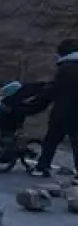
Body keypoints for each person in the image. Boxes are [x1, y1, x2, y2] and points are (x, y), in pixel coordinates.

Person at [31, 38, 78, 177]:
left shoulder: (66, 69)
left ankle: (42, 168)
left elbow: (54, 91)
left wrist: (34, 105)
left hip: (63, 112)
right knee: (76, 144)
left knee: (51, 141)